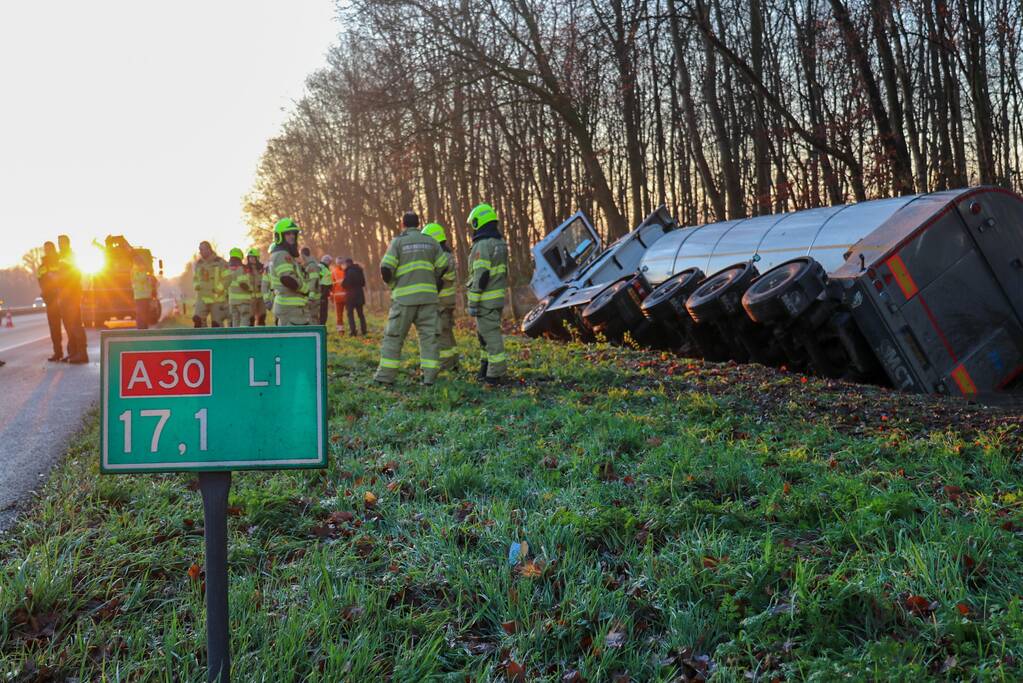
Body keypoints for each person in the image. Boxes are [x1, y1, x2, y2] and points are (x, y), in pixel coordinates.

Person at [373, 211, 448, 385]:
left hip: (404, 300)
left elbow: (385, 268)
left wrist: (393, 284)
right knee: (429, 339)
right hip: (429, 299)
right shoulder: (431, 242)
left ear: (403, 224)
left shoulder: (398, 242)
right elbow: (443, 266)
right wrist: (433, 283)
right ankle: (429, 379)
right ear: (418, 224)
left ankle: (385, 378)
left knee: (394, 338)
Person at [466, 203, 509, 383]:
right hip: (496, 298)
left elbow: (481, 275)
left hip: (485, 300)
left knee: (491, 337)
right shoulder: (500, 243)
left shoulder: (482, 245)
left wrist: (473, 302)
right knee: (483, 335)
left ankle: (495, 375)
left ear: (478, 222)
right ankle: (485, 367)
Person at [422, 223, 459, 370]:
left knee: (442, 335)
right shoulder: (448, 255)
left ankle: (447, 365)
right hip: (448, 301)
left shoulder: (440, 258)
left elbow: (436, 281)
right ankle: (454, 362)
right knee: (448, 333)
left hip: (441, 302)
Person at [269, 218, 310, 325]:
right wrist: (305, 289)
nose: (292, 236)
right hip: (290, 310)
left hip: (293, 309)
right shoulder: (282, 255)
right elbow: (287, 279)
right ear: (279, 236)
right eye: (287, 233)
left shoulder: (285, 255)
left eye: (293, 233)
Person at [56, 235, 88, 363]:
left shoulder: (71, 256)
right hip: (64, 295)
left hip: (71, 295)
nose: (60, 245)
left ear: (67, 243)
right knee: (69, 326)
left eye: (62, 243)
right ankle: (73, 352)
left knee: (75, 325)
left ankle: (82, 353)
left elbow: (74, 275)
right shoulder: (61, 257)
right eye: (59, 243)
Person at [192, 241, 230, 327]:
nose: (200, 251)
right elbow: (195, 278)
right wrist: (196, 285)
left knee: (216, 325)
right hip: (202, 298)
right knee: (197, 320)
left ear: (209, 249)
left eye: (202, 249)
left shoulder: (220, 262)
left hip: (217, 299)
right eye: (199, 249)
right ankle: (201, 339)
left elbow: (228, 278)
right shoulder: (199, 263)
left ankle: (218, 340)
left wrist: (219, 288)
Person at [37, 241, 64, 361]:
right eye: (46, 249)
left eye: (49, 249)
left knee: (70, 328)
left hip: (63, 299)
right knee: (54, 329)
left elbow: (67, 278)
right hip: (50, 301)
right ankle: (57, 353)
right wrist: (46, 295)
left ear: (53, 249)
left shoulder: (60, 261)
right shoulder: (42, 266)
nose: (48, 251)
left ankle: (72, 352)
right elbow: (41, 281)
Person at [226, 247, 252, 327]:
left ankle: (235, 338)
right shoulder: (241, 268)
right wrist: (250, 289)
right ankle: (244, 338)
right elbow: (242, 283)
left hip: (232, 301)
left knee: (235, 321)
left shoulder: (228, 269)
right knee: (244, 321)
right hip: (243, 302)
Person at [131, 250, 156, 329]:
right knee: (141, 314)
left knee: (146, 314)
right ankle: (140, 329)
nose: (141, 263)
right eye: (139, 261)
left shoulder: (144, 271)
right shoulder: (135, 271)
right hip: (139, 296)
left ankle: (144, 328)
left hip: (146, 295)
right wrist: (147, 276)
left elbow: (150, 282)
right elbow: (139, 279)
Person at [342, 258, 367, 336]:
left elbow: (346, 284)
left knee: (350, 314)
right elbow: (363, 283)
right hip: (359, 294)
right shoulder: (359, 270)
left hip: (350, 295)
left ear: (347, 263)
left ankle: (353, 331)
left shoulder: (348, 271)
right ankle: (364, 330)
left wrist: (343, 284)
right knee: (361, 314)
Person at [247, 248, 267, 326]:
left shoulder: (262, 268)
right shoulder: (246, 269)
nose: (251, 259)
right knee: (250, 318)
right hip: (251, 298)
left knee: (262, 317)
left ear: (257, 258)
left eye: (253, 257)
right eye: (250, 257)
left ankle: (262, 335)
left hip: (261, 297)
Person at [331, 257, 347, 335]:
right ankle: (351, 329)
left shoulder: (333, 272)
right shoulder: (345, 271)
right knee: (348, 314)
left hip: (337, 297)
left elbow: (332, 286)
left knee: (339, 315)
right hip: (346, 296)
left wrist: (331, 296)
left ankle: (341, 331)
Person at [318, 255, 333, 325]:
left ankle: (322, 329)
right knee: (322, 314)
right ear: (326, 261)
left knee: (323, 314)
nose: (330, 264)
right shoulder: (321, 267)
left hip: (324, 294)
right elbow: (318, 279)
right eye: (330, 262)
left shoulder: (324, 268)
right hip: (322, 294)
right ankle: (321, 330)